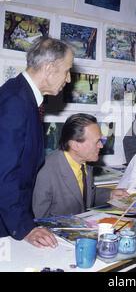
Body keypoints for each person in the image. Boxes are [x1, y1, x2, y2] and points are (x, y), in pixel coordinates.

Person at [0, 36, 74, 248]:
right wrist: (23, 227)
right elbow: (4, 172)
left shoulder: (22, 96)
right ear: (50, 68)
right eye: (67, 70)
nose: (68, 79)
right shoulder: (14, 101)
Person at [33, 113, 105, 218]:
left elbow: (81, 195)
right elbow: (39, 220)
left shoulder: (84, 162)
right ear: (75, 145)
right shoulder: (46, 171)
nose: (101, 145)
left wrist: (110, 194)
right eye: (97, 141)